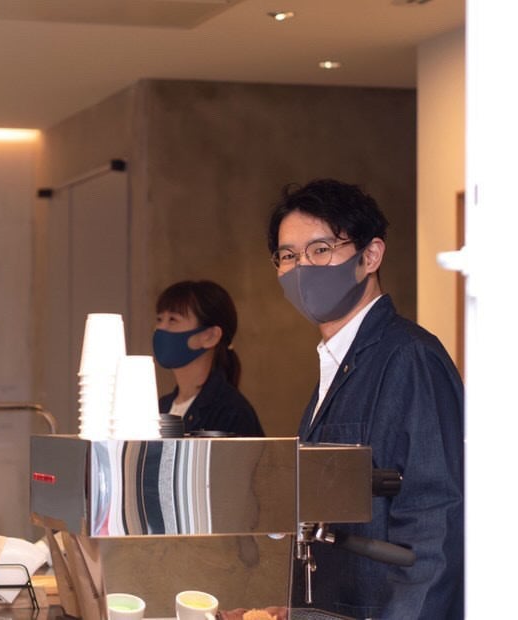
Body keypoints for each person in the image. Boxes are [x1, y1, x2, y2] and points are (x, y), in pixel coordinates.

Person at [267, 179, 464, 619]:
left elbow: (434, 521)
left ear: (370, 255)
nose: (302, 267)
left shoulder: (408, 357)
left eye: (320, 250)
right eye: (288, 256)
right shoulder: (338, 360)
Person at [153, 280, 265, 437]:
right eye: (159, 319)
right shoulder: (159, 408)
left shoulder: (231, 412)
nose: (160, 328)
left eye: (173, 320)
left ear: (210, 336)